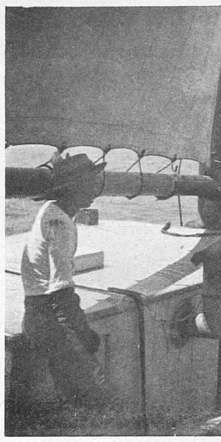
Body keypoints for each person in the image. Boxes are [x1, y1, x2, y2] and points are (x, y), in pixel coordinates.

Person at [19, 153, 107, 408]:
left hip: (36, 317)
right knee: (93, 394)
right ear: (71, 188)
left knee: (72, 394)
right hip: (50, 321)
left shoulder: (50, 210)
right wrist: (84, 332)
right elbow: (60, 292)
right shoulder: (61, 224)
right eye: (88, 183)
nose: (94, 189)